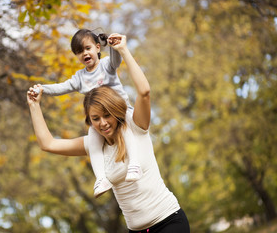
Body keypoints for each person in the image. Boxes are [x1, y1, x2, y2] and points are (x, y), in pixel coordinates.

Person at [27, 33, 190, 232]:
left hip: (168, 221)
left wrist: (123, 50)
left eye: (107, 115)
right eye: (95, 119)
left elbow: (144, 92)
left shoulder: (135, 124)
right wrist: (34, 105)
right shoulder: (95, 144)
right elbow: (48, 144)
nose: (102, 123)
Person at [34, 29, 142, 198]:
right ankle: (101, 178)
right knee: (93, 136)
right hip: (101, 118)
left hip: (121, 110)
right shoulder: (80, 78)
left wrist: (114, 47)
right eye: (79, 52)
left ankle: (134, 164)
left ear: (98, 48)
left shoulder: (106, 65)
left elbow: (116, 60)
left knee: (125, 126)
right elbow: (61, 87)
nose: (84, 53)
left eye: (87, 48)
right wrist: (42, 89)